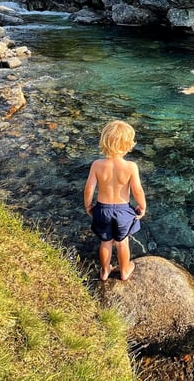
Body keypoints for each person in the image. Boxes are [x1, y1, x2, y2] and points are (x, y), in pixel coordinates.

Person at [84, 120, 147, 281]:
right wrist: (142, 206)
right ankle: (125, 270)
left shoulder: (97, 165)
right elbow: (137, 190)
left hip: (102, 209)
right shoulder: (131, 166)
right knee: (122, 242)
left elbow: (89, 188)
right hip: (123, 211)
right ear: (127, 146)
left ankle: (105, 271)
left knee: (105, 242)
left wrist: (88, 206)